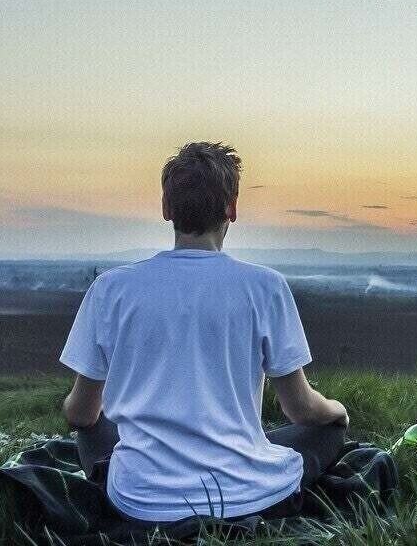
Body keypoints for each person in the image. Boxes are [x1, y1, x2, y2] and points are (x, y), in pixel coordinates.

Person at [59, 142, 348, 526]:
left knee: (92, 425)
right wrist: (337, 411)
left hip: (141, 502)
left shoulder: (111, 289)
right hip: (248, 496)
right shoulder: (266, 287)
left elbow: (80, 412)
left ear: (167, 209)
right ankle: (249, 459)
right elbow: (301, 410)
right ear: (232, 208)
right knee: (327, 431)